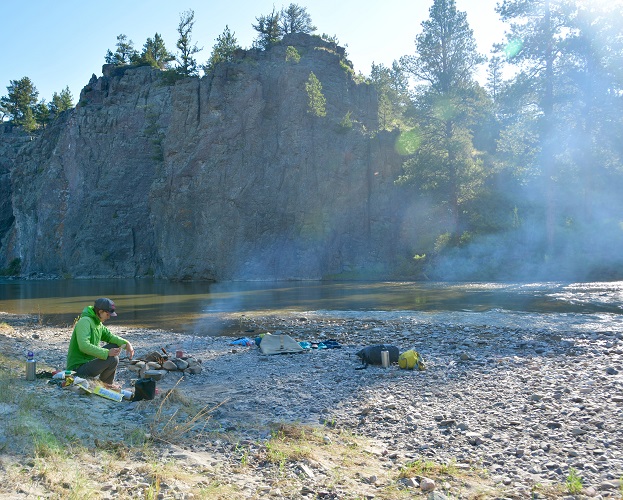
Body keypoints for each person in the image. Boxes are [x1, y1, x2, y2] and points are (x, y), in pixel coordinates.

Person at [66, 298, 134, 387]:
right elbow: (83, 346)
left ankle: (105, 383)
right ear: (100, 311)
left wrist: (126, 344)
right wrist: (107, 353)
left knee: (115, 345)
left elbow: (110, 337)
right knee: (113, 359)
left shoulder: (98, 323)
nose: (109, 317)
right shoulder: (85, 321)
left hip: (88, 363)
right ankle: (105, 385)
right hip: (77, 369)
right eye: (107, 314)